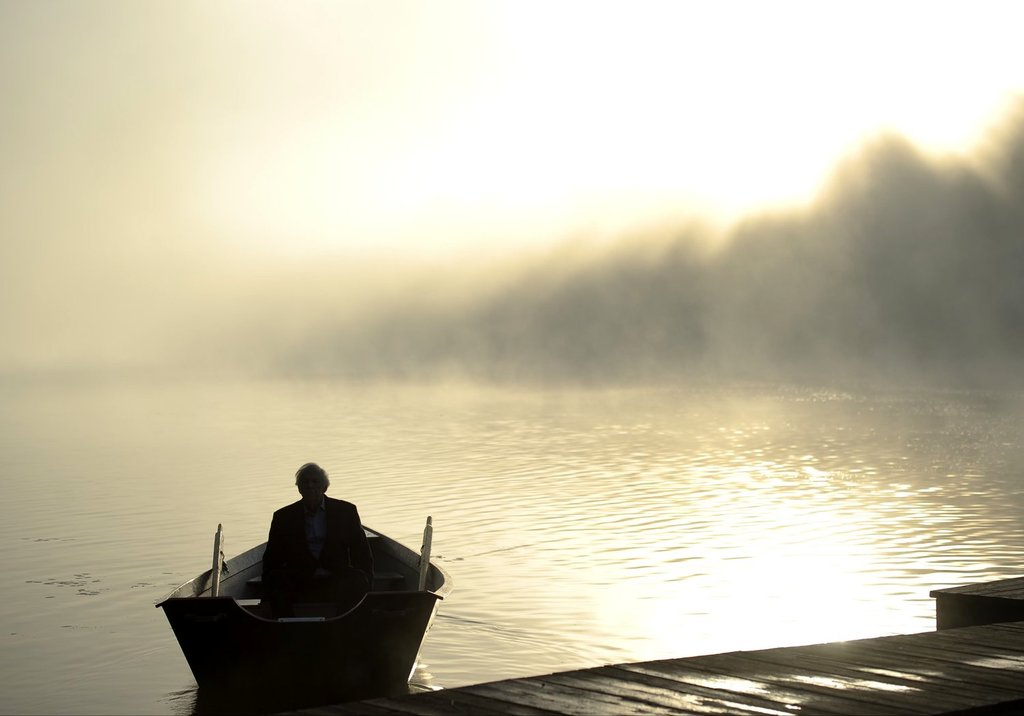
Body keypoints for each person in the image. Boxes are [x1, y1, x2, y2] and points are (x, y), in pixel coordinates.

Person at [262, 462, 374, 618]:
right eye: (305, 482)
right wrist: (265, 596)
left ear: (324, 487)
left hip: (336, 576)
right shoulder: (284, 517)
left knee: (358, 581)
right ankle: (288, 631)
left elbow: (361, 551)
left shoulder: (345, 511)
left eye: (315, 481)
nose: (310, 485)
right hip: (300, 578)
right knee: (276, 581)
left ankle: (343, 627)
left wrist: (367, 581)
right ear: (299, 488)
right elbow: (271, 557)